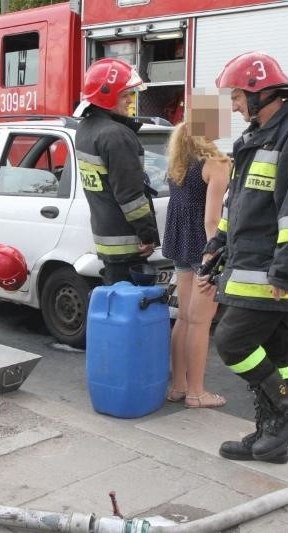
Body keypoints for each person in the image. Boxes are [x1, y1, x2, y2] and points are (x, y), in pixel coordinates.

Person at [200, 51, 288, 464]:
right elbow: (238, 204)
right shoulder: (256, 138)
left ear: (260, 92)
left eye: (237, 96)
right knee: (275, 353)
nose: (233, 105)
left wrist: (286, 270)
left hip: (272, 271)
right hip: (247, 263)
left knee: (231, 341)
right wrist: (216, 248)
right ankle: (270, 436)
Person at [162, 107, 231, 408]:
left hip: (179, 245)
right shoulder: (217, 162)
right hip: (202, 248)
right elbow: (212, 220)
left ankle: (178, 387)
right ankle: (197, 392)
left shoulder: (179, 160)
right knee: (202, 322)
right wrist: (212, 257)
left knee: (185, 319)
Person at [73, 58, 160, 285]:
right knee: (132, 312)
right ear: (107, 97)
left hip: (107, 238)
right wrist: (148, 234)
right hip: (128, 243)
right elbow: (130, 196)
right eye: (125, 95)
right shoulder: (116, 135)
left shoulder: (85, 130)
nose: (131, 100)